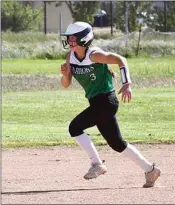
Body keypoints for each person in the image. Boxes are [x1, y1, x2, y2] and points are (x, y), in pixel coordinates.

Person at [60, 21, 161, 188]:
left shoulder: (94, 55)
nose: (69, 41)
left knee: (75, 127)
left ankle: (97, 164)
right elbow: (66, 84)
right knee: (117, 144)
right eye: (68, 38)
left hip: (107, 101)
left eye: (73, 38)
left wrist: (126, 83)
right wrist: (65, 75)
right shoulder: (70, 57)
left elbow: (120, 60)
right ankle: (151, 170)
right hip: (97, 103)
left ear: (84, 39)